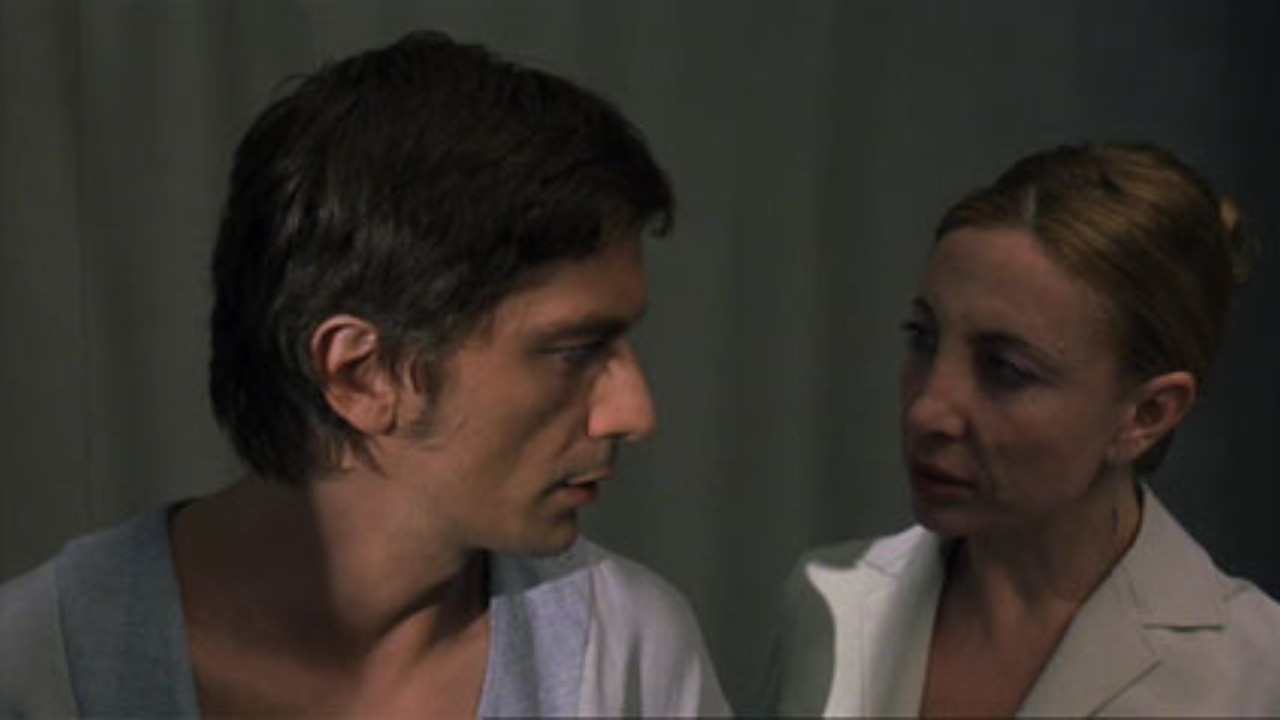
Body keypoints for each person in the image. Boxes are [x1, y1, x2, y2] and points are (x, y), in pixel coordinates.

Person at [0, 30, 729, 717]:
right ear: (362, 373)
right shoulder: (34, 668)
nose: (635, 412)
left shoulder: (624, 650)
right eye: (574, 350)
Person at [765, 143, 1280, 717]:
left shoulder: (1254, 673)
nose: (926, 411)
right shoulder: (827, 606)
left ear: (1147, 414)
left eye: (1006, 370)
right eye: (924, 339)